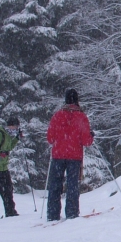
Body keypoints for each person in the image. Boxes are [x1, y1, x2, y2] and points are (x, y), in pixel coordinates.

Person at [46, 88, 94, 221]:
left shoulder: (57, 115)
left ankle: (52, 214)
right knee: (72, 185)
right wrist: (91, 136)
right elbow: (86, 141)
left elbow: (50, 138)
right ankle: (72, 213)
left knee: (55, 185)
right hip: (74, 156)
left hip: (58, 155)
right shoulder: (81, 117)